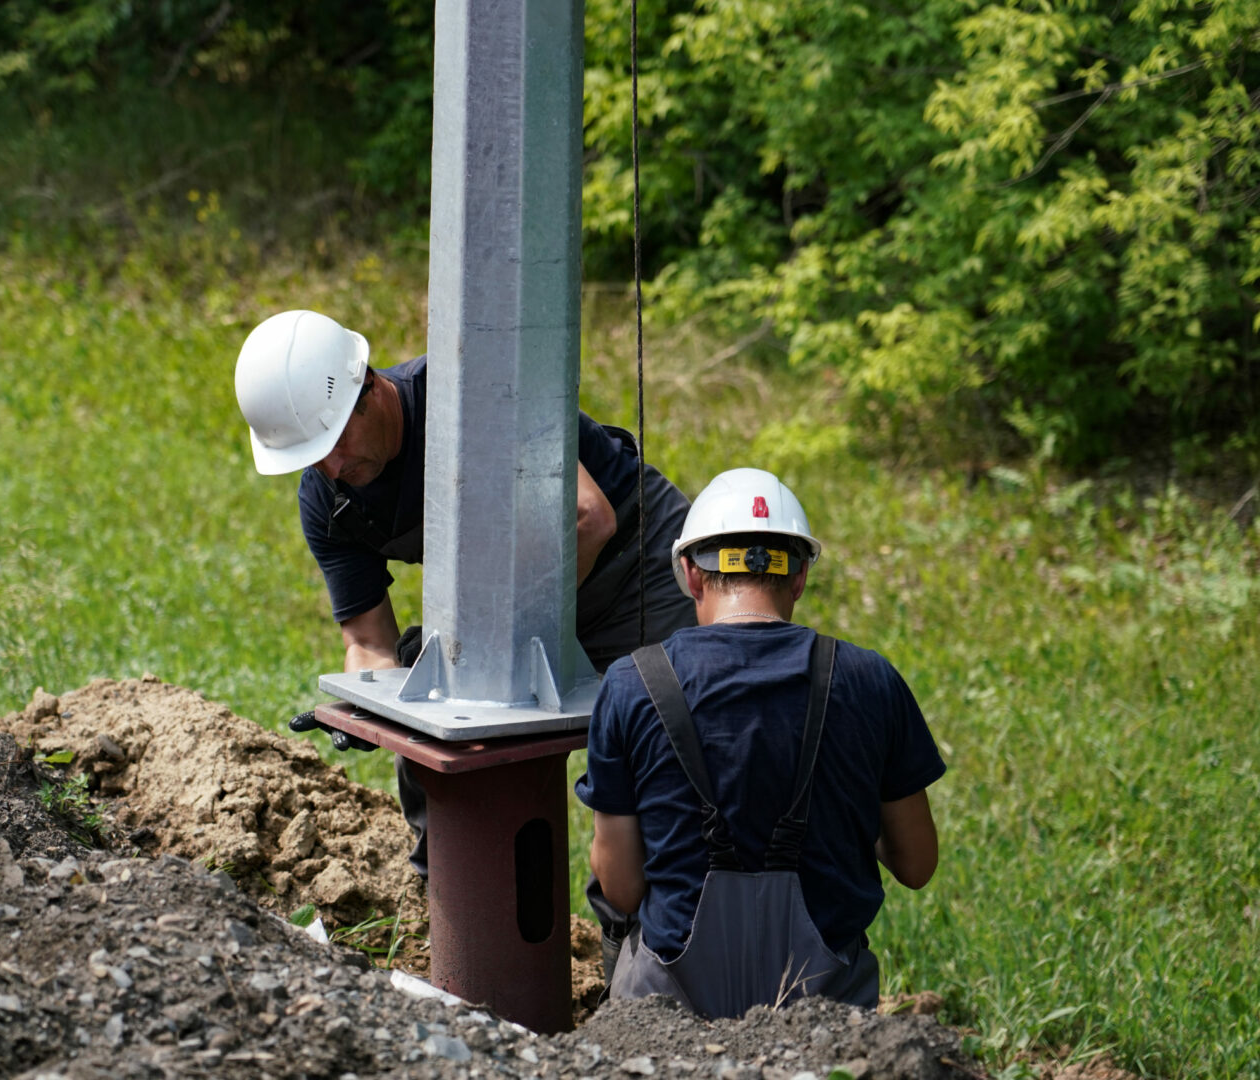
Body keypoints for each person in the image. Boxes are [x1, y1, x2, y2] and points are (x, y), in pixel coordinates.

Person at [233, 308, 695, 957]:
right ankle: (456, 923)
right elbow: (366, 639)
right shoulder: (329, 501)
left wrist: (498, 642)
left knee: (671, 747)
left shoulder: (469, 399)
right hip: (517, 593)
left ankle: (657, 964)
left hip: (633, 565)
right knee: (433, 695)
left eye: (336, 441)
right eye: (313, 457)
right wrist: (368, 699)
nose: (332, 467)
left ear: (368, 385)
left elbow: (588, 520)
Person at [574, 467, 944, 1017]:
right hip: (823, 1015)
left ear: (689, 575)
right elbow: (916, 864)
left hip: (671, 1017)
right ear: (798, 578)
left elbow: (624, 890)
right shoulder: (871, 680)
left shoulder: (633, 684)